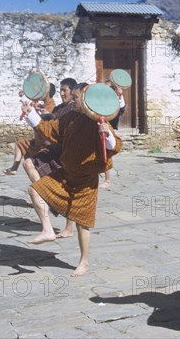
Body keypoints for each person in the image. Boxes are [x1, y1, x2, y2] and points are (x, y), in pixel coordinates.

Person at [21, 83, 122, 277]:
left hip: (86, 180)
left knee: (82, 223)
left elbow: (115, 145)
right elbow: (51, 128)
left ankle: (84, 262)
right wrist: (31, 113)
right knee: (35, 190)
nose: (72, 101)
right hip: (65, 173)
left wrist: (106, 134)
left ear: (85, 99)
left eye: (75, 98)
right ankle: (48, 229)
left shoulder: (98, 121)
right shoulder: (70, 117)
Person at [22, 78, 78, 238]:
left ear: (73, 93)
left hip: (67, 154)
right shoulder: (60, 108)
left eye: (64, 91)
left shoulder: (75, 110)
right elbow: (51, 122)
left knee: (69, 189)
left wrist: (49, 118)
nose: (61, 94)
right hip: (53, 149)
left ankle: (69, 228)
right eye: (60, 90)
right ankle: (46, 196)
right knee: (28, 163)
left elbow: (58, 124)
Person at [3, 83, 57, 175]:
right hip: (38, 139)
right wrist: (24, 97)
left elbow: (41, 121)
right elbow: (31, 105)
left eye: (43, 91)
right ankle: (14, 168)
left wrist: (34, 111)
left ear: (47, 92)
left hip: (45, 143)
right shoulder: (44, 105)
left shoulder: (52, 107)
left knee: (32, 165)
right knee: (20, 143)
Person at [100, 79, 126, 189]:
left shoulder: (115, 100)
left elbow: (121, 108)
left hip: (107, 125)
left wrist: (119, 96)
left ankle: (107, 179)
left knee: (106, 150)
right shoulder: (101, 99)